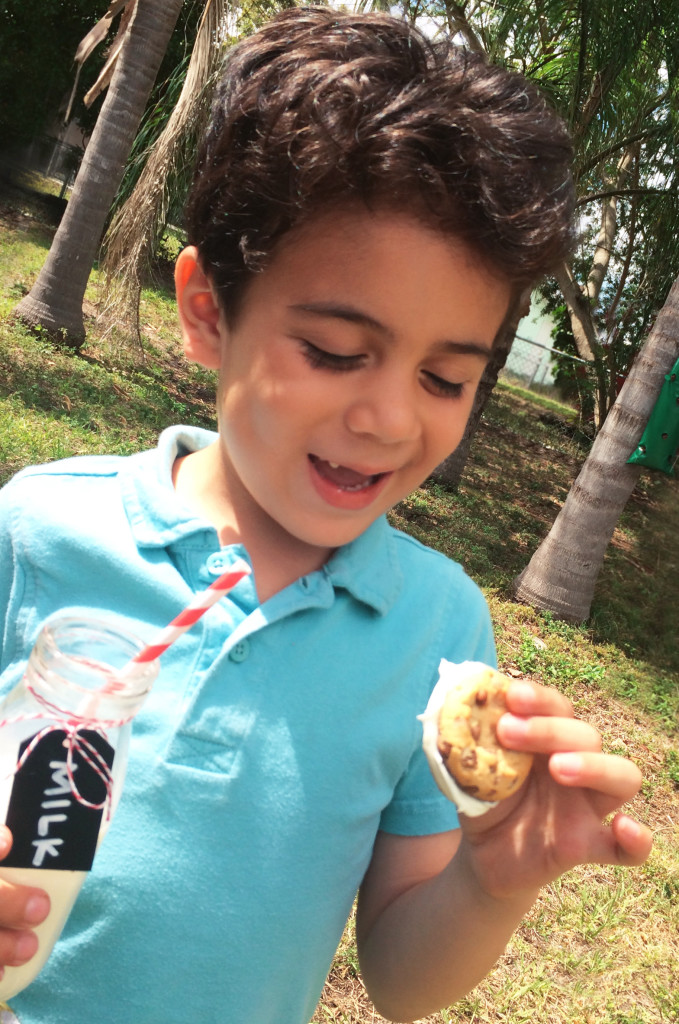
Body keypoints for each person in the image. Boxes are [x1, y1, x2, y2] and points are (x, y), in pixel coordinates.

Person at [0, 8, 652, 1024]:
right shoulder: (41, 529)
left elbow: (399, 977)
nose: (388, 416)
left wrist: (490, 882)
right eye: (336, 352)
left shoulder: (435, 634)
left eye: (444, 377)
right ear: (209, 310)